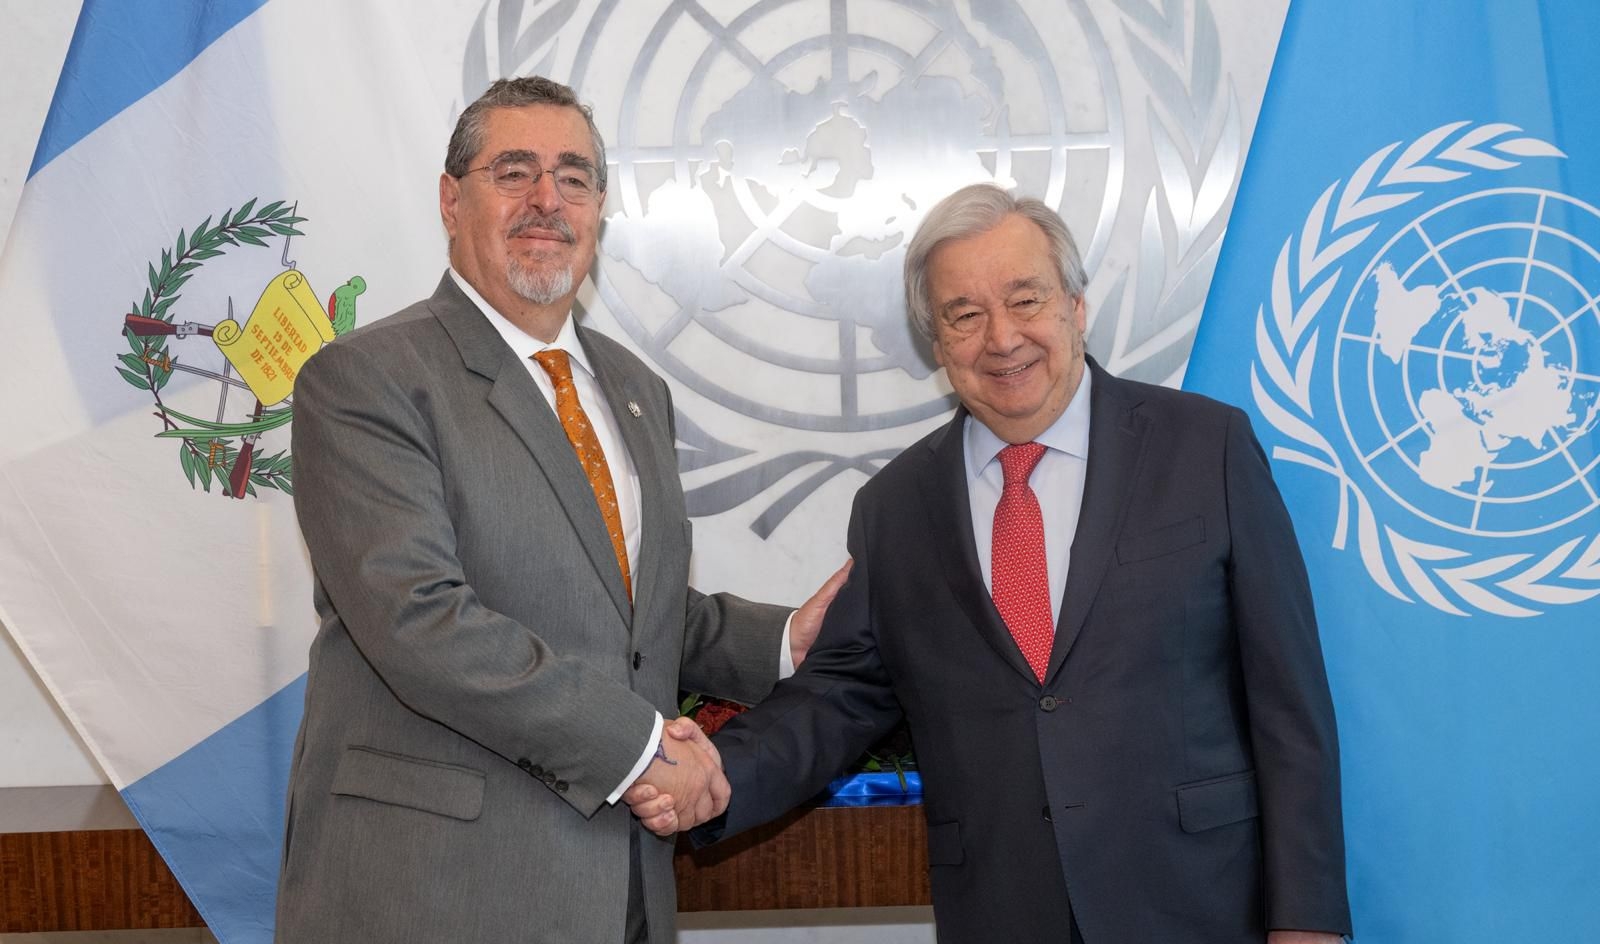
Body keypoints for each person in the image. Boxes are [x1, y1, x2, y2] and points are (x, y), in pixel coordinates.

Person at [629, 184, 1352, 943]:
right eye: (964, 316)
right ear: (937, 346)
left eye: (1025, 300)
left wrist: (1306, 921)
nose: (1001, 338)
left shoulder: (1206, 449)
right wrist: (716, 777)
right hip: (1004, 913)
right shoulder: (897, 507)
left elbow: (1288, 708)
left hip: (1201, 905)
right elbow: (838, 698)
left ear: (1075, 307)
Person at [274, 76, 846, 944]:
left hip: (617, 891)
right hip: (431, 893)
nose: (548, 200)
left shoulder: (633, 388)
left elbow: (629, 615)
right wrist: (643, 748)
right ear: (449, 199)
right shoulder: (366, 381)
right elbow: (420, 620)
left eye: (574, 177)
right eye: (515, 171)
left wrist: (781, 640)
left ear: (601, 209)